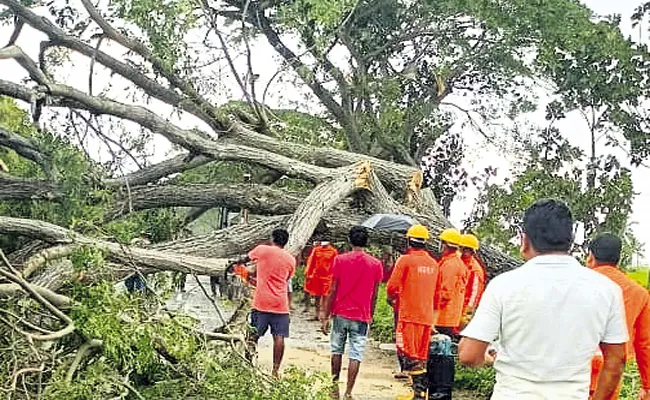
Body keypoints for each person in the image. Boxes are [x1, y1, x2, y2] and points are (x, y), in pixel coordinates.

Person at [458, 199, 629, 400]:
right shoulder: (606, 290)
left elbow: (469, 355)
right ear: (570, 240)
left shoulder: (504, 285)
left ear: (524, 240)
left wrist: (487, 359)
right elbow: (616, 361)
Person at [321, 226, 383, 400]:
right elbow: (375, 293)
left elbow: (332, 288)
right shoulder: (375, 264)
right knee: (356, 354)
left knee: (336, 350)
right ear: (366, 242)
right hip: (362, 315)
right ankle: (349, 392)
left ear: (349, 240)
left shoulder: (340, 260)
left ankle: (334, 388)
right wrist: (371, 313)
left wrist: (325, 314)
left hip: (340, 312)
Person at [587, 233, 650, 400]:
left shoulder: (577, 284)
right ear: (619, 259)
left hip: (575, 367)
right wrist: (647, 385)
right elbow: (644, 344)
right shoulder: (639, 293)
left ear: (590, 257)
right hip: (611, 369)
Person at [387, 224, 442, 400]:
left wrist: (392, 298)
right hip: (426, 318)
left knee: (408, 353)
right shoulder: (434, 264)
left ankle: (418, 393)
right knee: (420, 355)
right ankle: (419, 392)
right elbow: (438, 294)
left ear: (409, 241)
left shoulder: (405, 260)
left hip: (409, 315)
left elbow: (392, 286)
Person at [242, 229, 296, 378]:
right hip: (280, 303)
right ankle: (275, 370)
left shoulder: (262, 250)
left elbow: (245, 259)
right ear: (285, 242)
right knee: (279, 337)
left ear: (272, 239)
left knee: (253, 334)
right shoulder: (291, 259)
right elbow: (286, 279)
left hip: (261, 302)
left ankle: (247, 363)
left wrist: (235, 264)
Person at [434, 228, 468, 339]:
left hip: (444, 317)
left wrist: (433, 310)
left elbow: (445, 292)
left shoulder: (450, 265)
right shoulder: (456, 263)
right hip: (449, 315)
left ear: (445, 245)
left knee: (440, 350)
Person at [304, 241, 339, 321]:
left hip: (328, 277)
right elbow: (311, 262)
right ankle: (317, 314)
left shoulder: (333, 251)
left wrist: (334, 277)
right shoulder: (316, 250)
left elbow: (335, 265)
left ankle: (323, 315)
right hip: (316, 276)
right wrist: (308, 273)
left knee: (326, 296)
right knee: (317, 296)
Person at [459, 233, 486, 324]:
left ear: (473, 251)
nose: (465, 251)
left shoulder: (475, 269)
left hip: (465, 307)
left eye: (468, 249)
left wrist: (467, 311)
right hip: (455, 304)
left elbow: (475, 293)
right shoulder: (458, 261)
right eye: (464, 248)